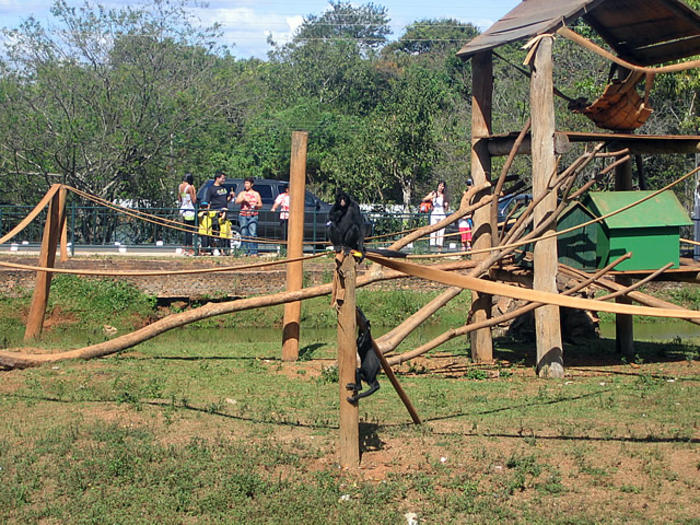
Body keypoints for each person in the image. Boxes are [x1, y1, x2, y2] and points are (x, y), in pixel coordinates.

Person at [205, 171, 235, 254]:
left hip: (224, 212)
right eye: (222, 178)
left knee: (224, 232)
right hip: (215, 212)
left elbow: (226, 200)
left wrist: (231, 196)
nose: (223, 180)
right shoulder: (211, 189)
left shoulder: (224, 188)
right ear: (217, 178)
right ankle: (215, 249)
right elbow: (207, 202)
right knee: (215, 232)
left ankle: (224, 250)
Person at [235, 177, 263, 256]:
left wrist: (256, 205)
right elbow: (237, 201)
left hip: (253, 215)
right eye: (245, 183)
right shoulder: (242, 193)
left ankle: (253, 252)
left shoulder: (256, 194)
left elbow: (260, 204)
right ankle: (244, 251)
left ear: (251, 184)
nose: (246, 185)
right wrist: (243, 200)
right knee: (244, 232)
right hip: (243, 215)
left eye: (247, 183)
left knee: (253, 233)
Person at [422, 180, 449, 252]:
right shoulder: (433, 193)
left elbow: (446, 208)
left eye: (443, 186)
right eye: (440, 185)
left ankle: (439, 249)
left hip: (442, 214)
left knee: (441, 231)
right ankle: (432, 249)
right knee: (433, 230)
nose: (441, 187)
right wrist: (432, 196)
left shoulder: (445, 196)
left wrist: (446, 206)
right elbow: (424, 199)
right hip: (434, 213)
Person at [177, 173, 196, 255]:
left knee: (185, 230)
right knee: (190, 231)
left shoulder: (180, 187)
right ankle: (190, 249)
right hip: (190, 210)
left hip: (183, 209)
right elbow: (194, 199)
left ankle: (184, 248)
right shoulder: (190, 187)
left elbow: (180, 198)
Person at [271, 184, 290, 254]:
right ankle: (283, 250)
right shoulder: (282, 196)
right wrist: (273, 208)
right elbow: (276, 204)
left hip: (293, 218)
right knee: (284, 233)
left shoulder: (295, 196)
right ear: (287, 189)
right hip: (284, 217)